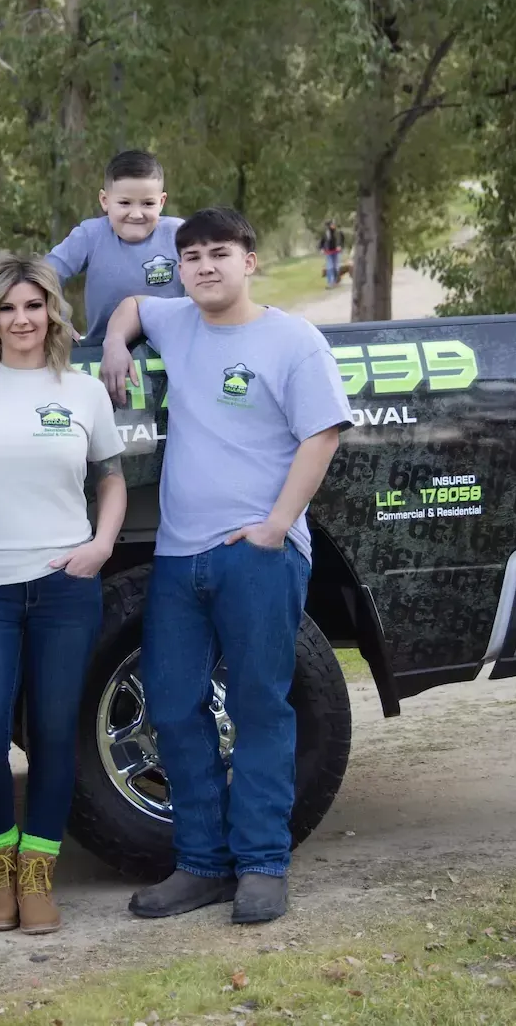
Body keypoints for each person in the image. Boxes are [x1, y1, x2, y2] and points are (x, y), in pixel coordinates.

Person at [99, 207, 352, 926]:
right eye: (192, 257)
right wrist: (118, 339)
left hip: (257, 556)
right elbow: (132, 305)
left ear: (250, 261)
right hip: (179, 557)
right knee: (175, 707)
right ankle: (202, 864)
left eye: (220, 254)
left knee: (259, 706)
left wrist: (277, 526)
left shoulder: (291, 340)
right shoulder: (177, 321)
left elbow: (322, 434)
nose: (205, 267)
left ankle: (263, 863)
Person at [0, 256, 127, 935]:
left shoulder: (81, 391)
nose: (22, 320)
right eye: (9, 308)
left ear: (52, 313)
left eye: (34, 306)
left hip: (65, 587)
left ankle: (39, 868)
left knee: (52, 736)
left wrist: (101, 545)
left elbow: (109, 477)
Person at [47, 150, 185, 344]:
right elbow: (45, 273)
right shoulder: (90, 235)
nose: (136, 214)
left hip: (171, 350)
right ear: (105, 201)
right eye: (125, 203)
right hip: (102, 352)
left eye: (147, 203)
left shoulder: (179, 234)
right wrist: (59, 322)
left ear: (161, 202)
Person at [318, 219, 346, 287]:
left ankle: (336, 281)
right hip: (329, 251)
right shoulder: (326, 233)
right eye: (332, 224)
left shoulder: (338, 232)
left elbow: (342, 240)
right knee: (330, 266)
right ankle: (330, 282)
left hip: (336, 251)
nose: (334, 225)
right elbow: (322, 241)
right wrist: (321, 248)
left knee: (336, 266)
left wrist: (340, 246)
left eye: (334, 224)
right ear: (329, 225)